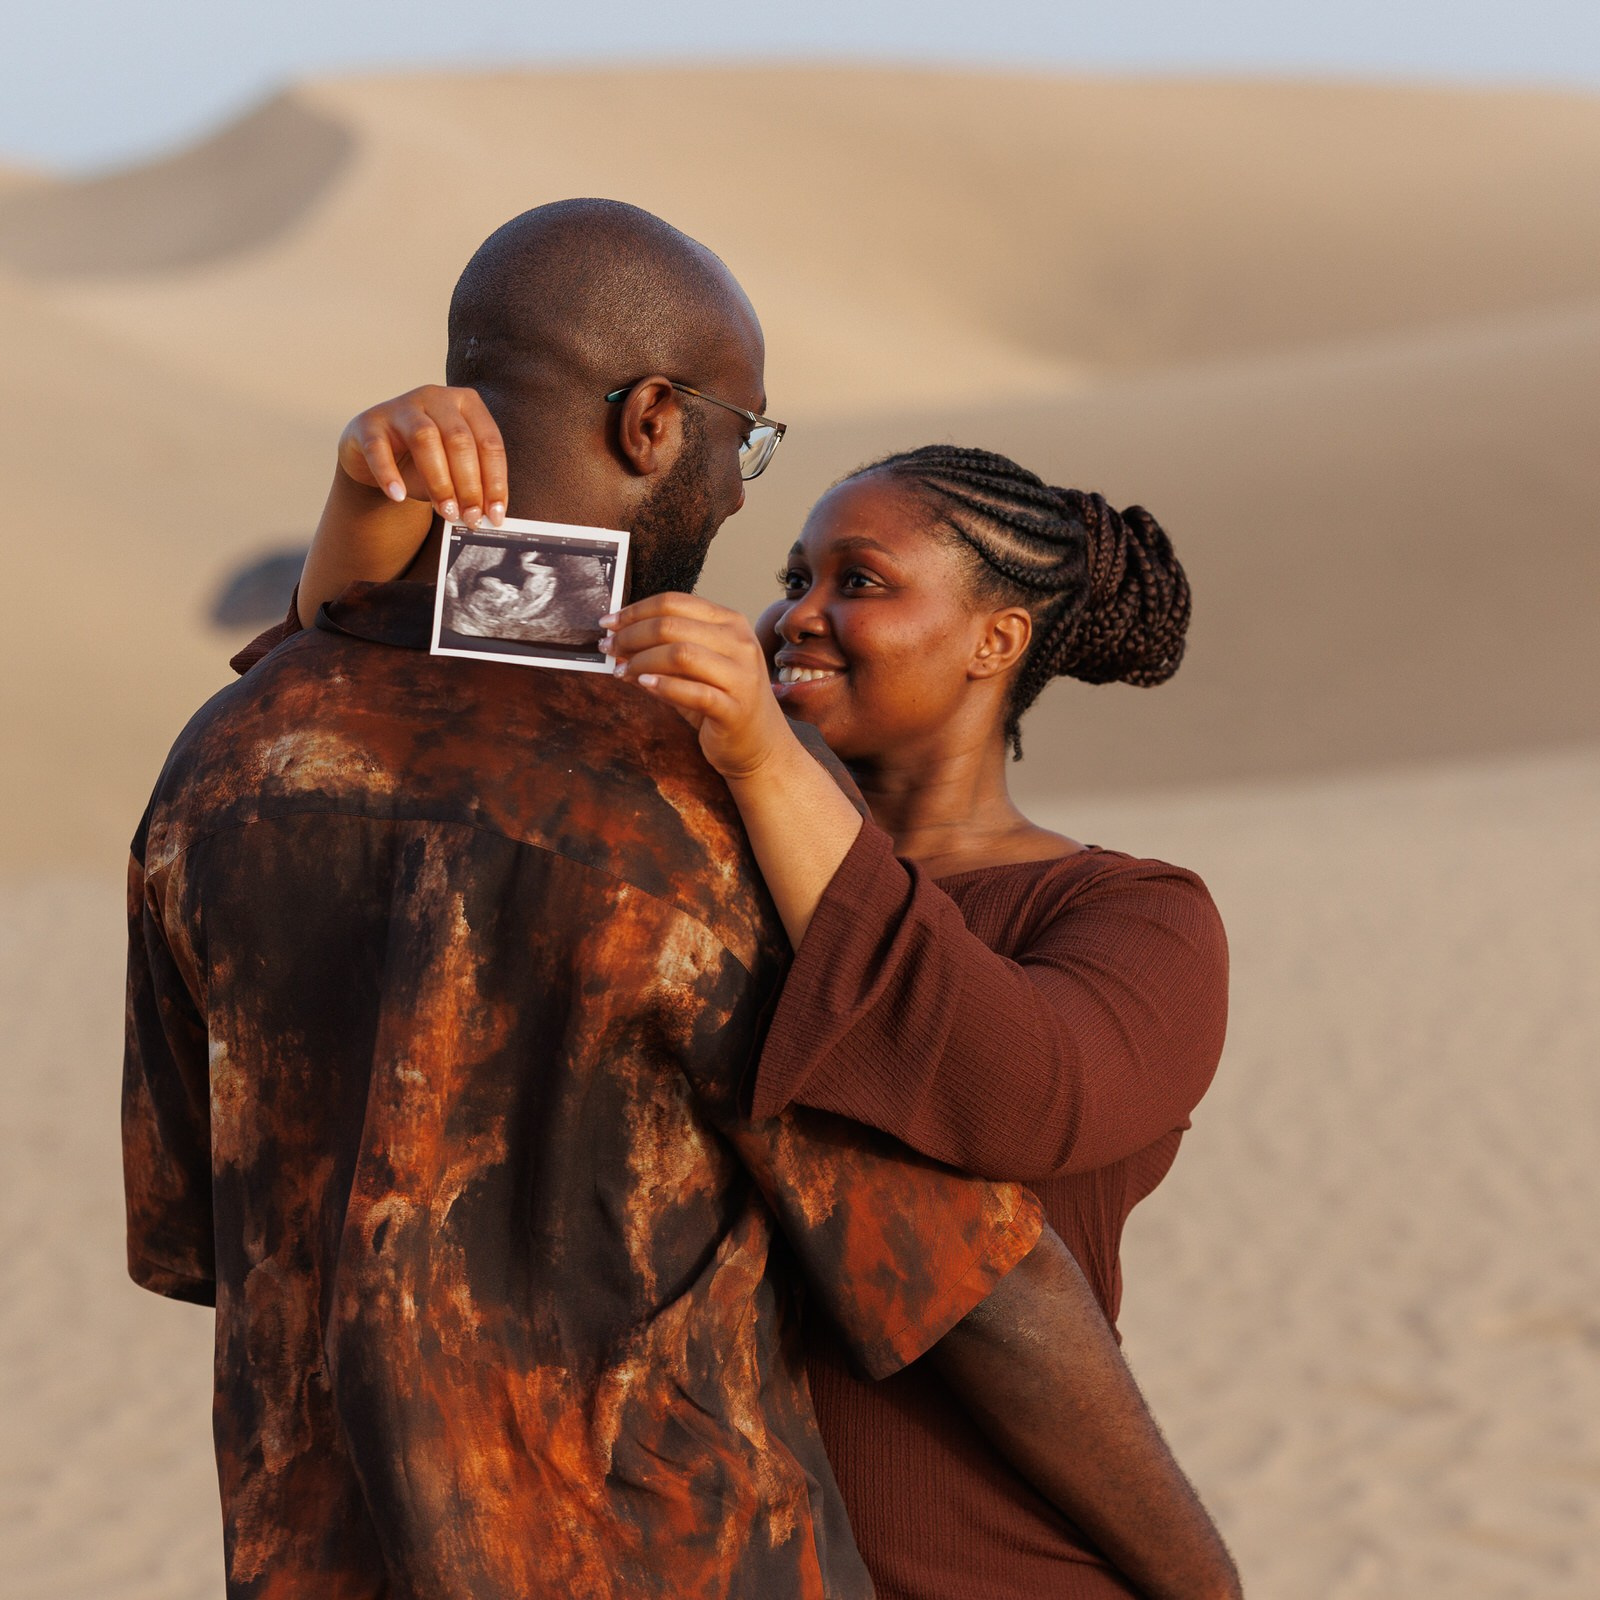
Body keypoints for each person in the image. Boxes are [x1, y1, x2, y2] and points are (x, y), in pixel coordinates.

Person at [125, 199, 1240, 1600]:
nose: (739, 506)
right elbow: (971, 1282)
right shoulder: (693, 815)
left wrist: (356, 559)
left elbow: (197, 1228)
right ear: (653, 421)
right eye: (744, 445)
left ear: (1001, 644)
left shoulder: (221, 763)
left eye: (861, 581)